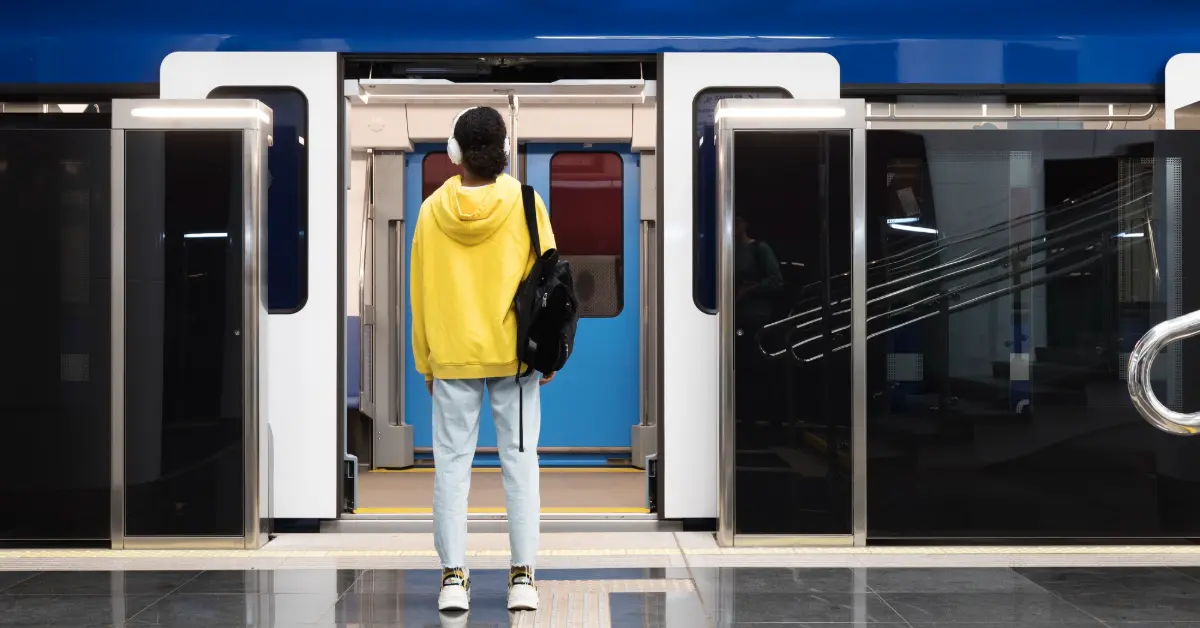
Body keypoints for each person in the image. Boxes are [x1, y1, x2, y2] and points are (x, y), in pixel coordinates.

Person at [410, 106, 556, 613]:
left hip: (451, 358)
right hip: (515, 361)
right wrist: (549, 352)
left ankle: (454, 578)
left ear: (455, 152)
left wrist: (425, 359)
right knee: (520, 465)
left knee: (451, 466)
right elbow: (550, 285)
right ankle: (522, 579)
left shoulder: (431, 210)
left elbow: (420, 291)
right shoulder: (528, 203)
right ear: (502, 150)